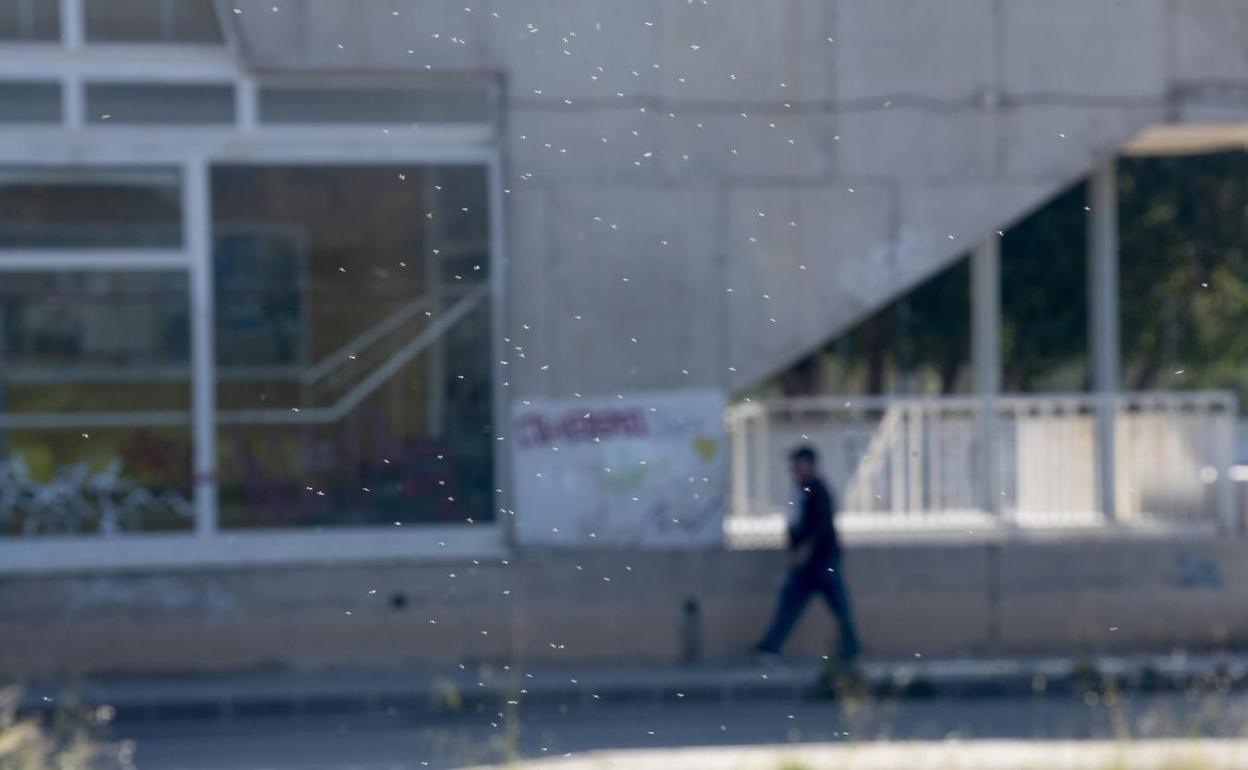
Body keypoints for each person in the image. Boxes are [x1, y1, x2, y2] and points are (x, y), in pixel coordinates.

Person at [754, 445, 860, 665]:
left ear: (809, 464)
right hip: (812, 561)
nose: (794, 469)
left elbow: (821, 525)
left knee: (818, 603)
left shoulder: (817, 489)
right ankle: (770, 647)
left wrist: (804, 549)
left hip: (820, 560)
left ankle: (771, 647)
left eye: (798, 464)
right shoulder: (802, 489)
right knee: (797, 603)